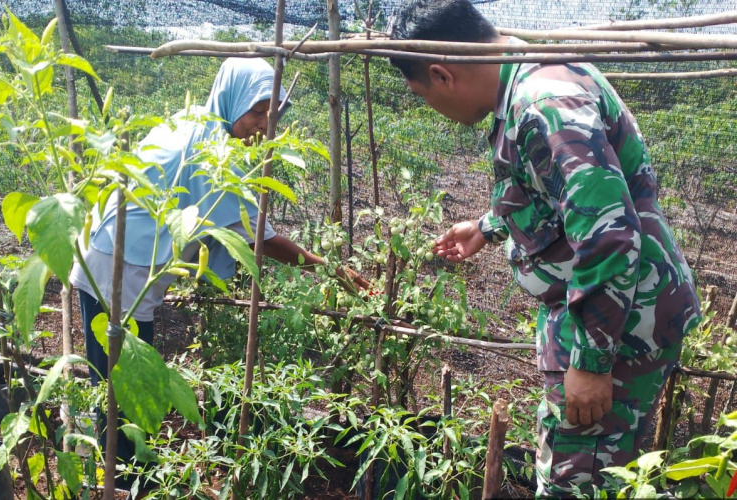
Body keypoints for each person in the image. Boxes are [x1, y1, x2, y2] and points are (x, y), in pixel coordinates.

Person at [389, 0, 702, 496]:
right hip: (603, 317)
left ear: (441, 74)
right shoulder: (529, 77)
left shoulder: (542, 102)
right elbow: (558, 194)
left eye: (420, 93)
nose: (429, 106)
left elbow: (608, 231)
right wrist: (489, 226)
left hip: (618, 331)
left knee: (577, 486)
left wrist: (591, 362)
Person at [69, 57, 368, 491]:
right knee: (125, 394)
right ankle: (128, 483)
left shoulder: (192, 122)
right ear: (233, 101)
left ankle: (128, 479)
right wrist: (332, 271)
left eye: (273, 114)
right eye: (258, 110)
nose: (265, 124)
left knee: (123, 388)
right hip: (116, 275)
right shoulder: (212, 151)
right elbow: (259, 240)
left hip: (114, 264)